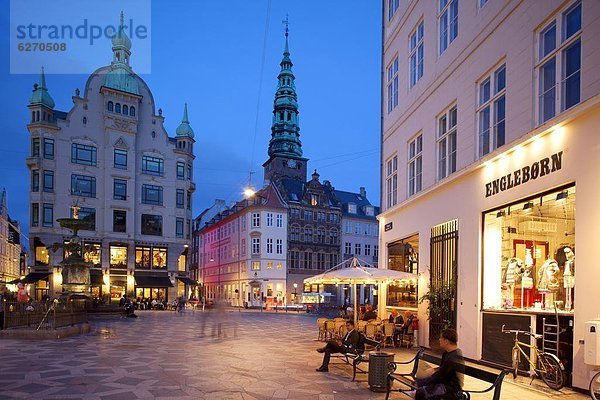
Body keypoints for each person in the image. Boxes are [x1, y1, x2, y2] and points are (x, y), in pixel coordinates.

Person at [412, 328, 464, 400]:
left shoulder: (453, 357)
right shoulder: (447, 353)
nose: (439, 340)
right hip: (444, 384)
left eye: (441, 338)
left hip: (451, 389)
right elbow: (442, 372)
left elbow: (440, 376)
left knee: (421, 392)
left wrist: (423, 382)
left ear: (446, 341)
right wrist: (432, 372)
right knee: (420, 388)